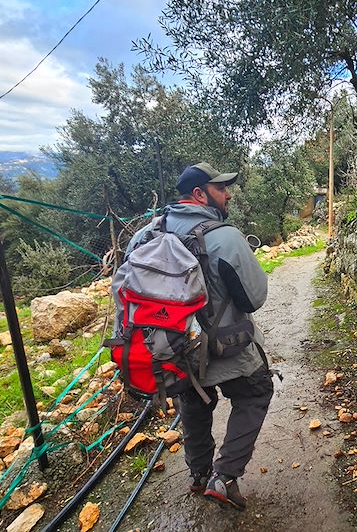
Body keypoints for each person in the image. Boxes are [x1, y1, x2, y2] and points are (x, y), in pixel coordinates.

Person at [137, 162, 273, 511]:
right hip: (226, 347)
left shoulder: (147, 235)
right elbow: (254, 297)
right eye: (221, 188)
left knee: (194, 400)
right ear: (199, 194)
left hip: (172, 348)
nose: (228, 195)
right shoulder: (225, 236)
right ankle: (224, 476)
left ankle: (199, 474)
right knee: (256, 392)